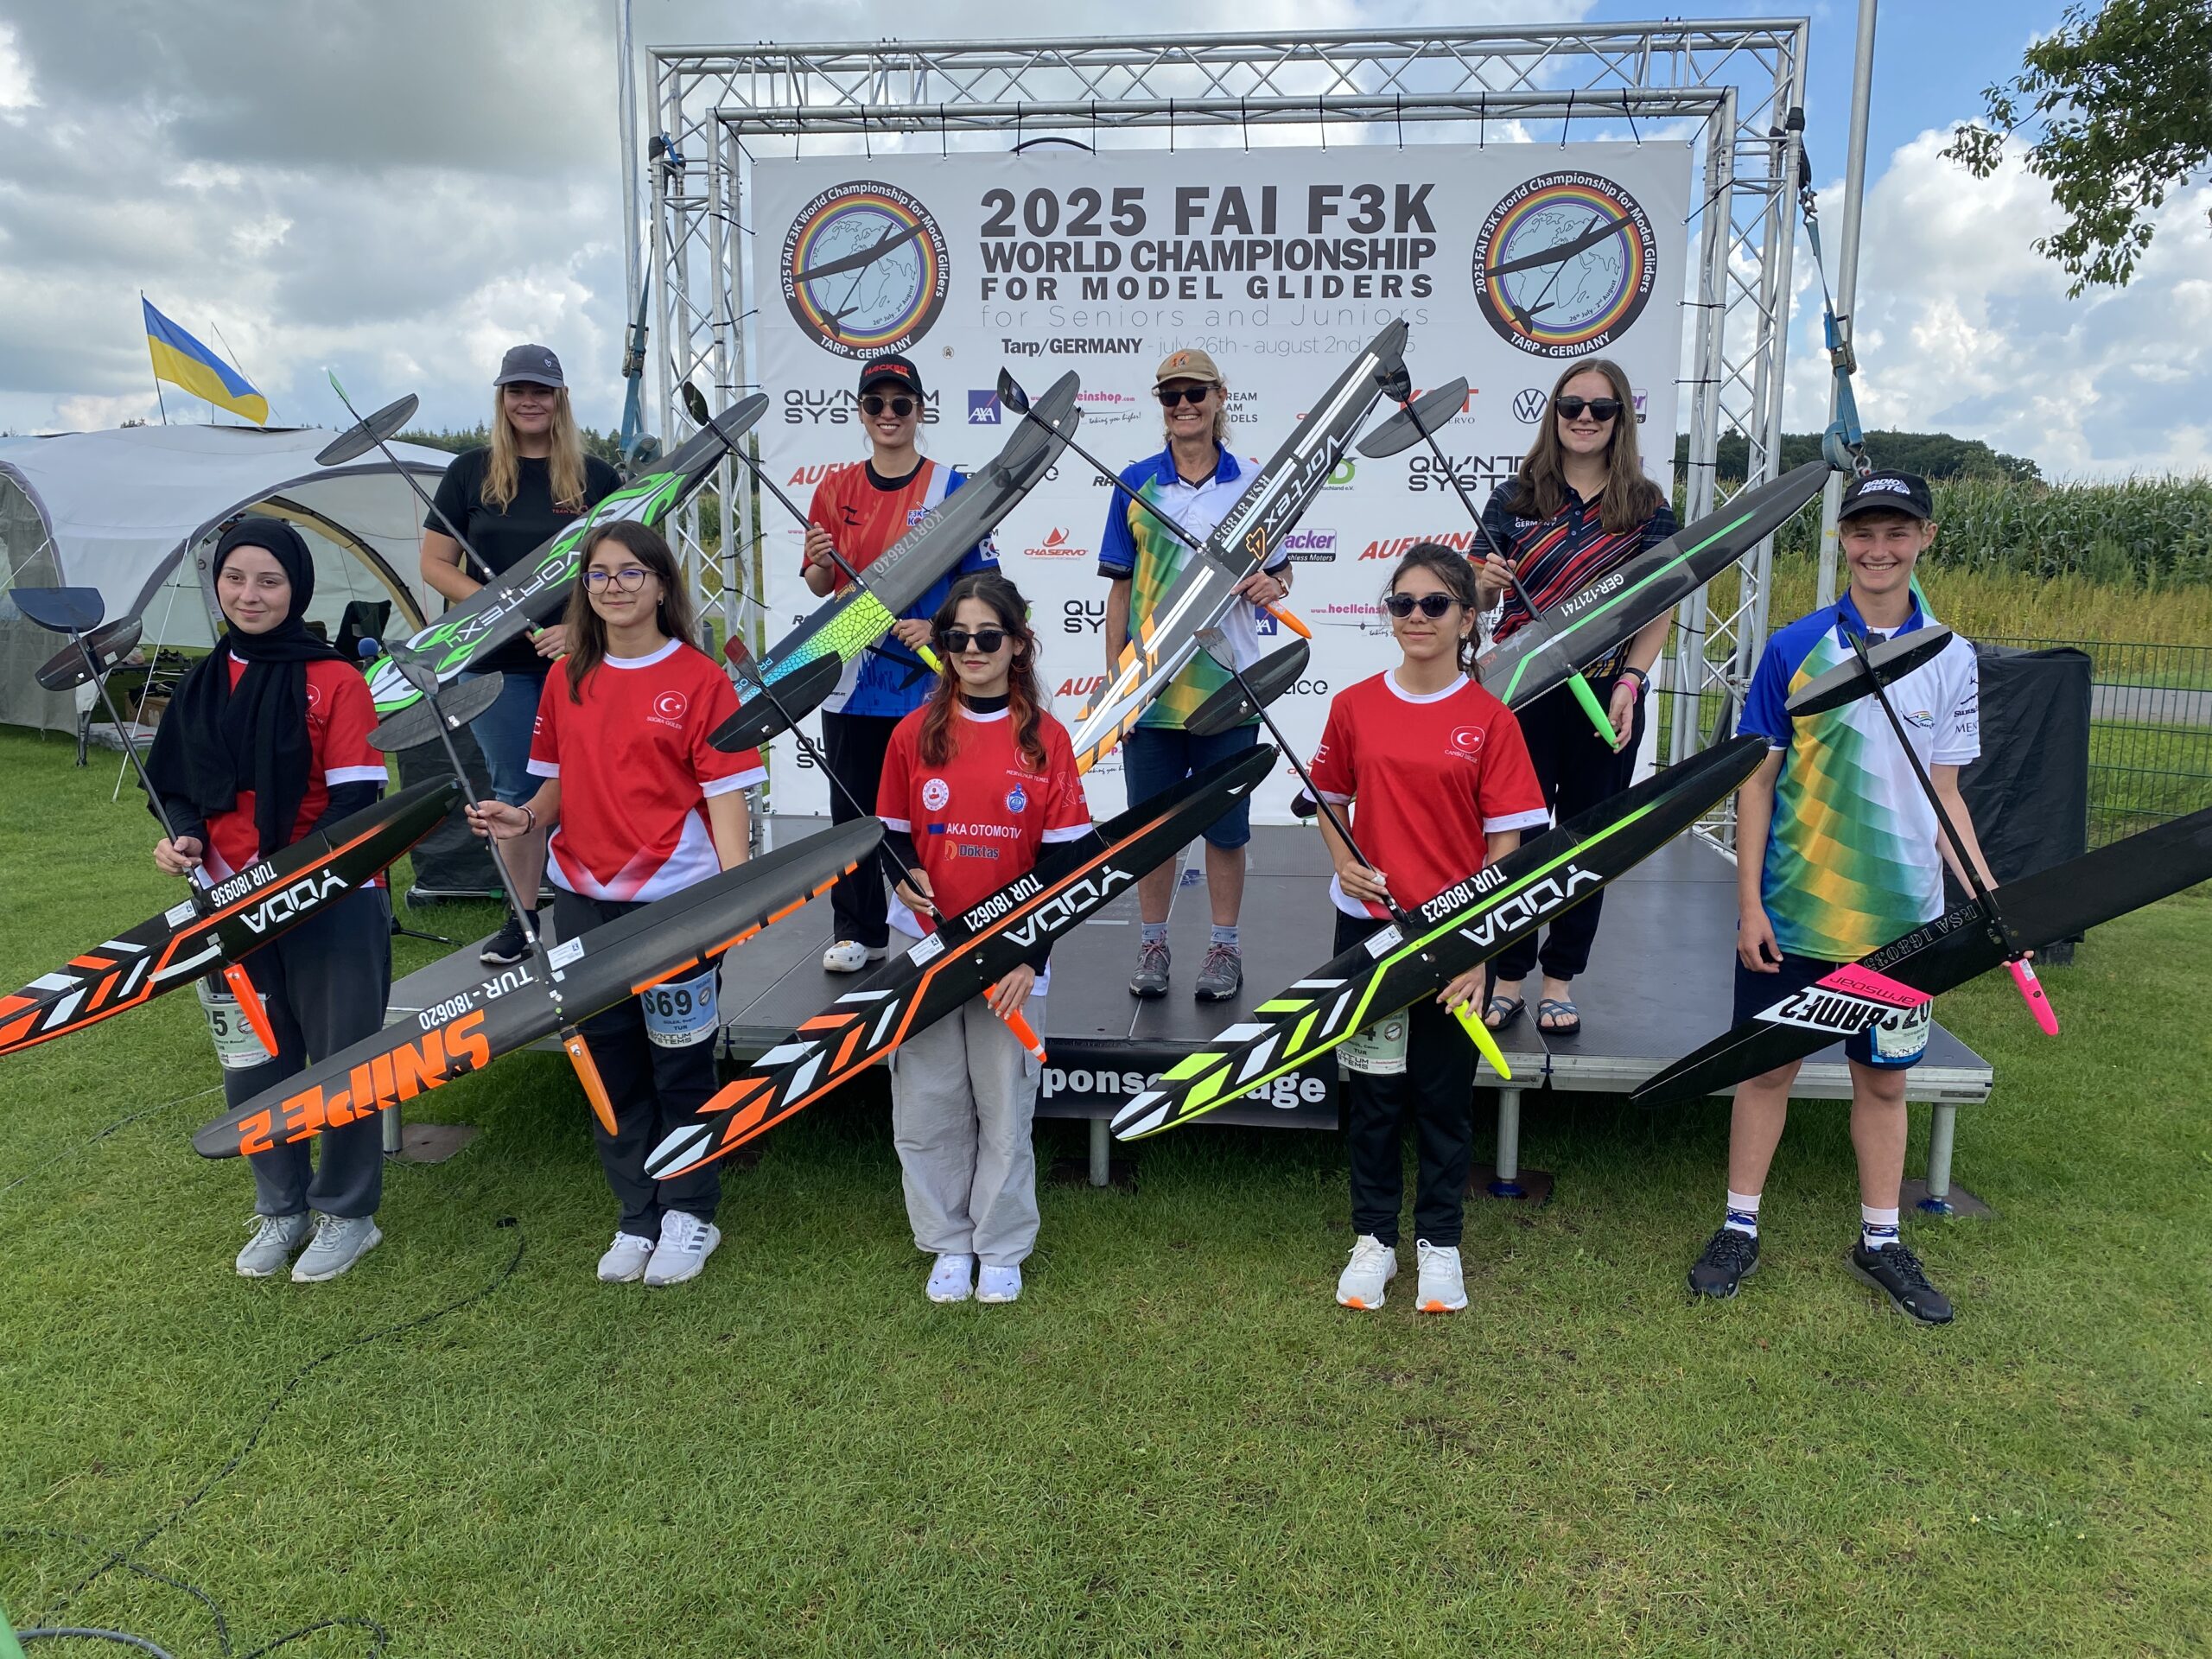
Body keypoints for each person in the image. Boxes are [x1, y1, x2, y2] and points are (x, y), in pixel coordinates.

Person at [1687, 471, 1987, 1325]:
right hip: (1795, 914)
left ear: (1925, 538)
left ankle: (1881, 1241)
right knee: (1765, 1071)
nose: (1878, 549)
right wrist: (1749, 904)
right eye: (1863, 532)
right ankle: (1738, 1228)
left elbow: (1946, 796)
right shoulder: (1794, 646)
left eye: (1897, 532)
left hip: (1901, 926)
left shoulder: (1952, 655)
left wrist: (1988, 893)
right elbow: (1755, 783)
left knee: (1884, 1088)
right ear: (1842, 540)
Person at [467, 521, 764, 1288]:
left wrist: (737, 896)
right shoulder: (568, 678)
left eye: (632, 572)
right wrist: (523, 819)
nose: (615, 587)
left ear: (662, 585)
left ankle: (691, 1212)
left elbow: (726, 796)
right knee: (611, 1065)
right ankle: (637, 1214)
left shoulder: (701, 678)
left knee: (681, 1067)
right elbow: (556, 784)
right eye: (599, 574)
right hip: (584, 904)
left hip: (677, 907)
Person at [142, 518, 393, 1282]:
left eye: (269, 581)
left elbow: (357, 802)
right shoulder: (202, 680)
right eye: (235, 578)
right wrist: (184, 839)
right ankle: (281, 1207)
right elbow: (174, 787)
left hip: (331, 896)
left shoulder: (336, 680)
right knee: (252, 1060)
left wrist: (285, 880)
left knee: (343, 1060)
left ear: (298, 588)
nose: (249, 595)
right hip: (225, 904)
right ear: (217, 583)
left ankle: (347, 1213)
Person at [1309, 543, 1547, 1314]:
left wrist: (1479, 951)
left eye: (1435, 604)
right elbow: (1329, 798)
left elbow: (1507, 847)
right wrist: (1343, 859)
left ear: (1467, 619)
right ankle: (1374, 1239)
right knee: (1374, 1096)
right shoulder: (1354, 706)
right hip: (1369, 934)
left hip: (1454, 940)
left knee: (1443, 1099)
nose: (1416, 617)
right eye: (1403, 603)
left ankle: (1439, 1243)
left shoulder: (1491, 720)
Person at [877, 572, 1090, 1306]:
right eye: (956, 636)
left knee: (1004, 1106)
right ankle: (947, 1241)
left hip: (1013, 954)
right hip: (928, 949)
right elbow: (890, 838)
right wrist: (902, 875)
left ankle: (1000, 1245)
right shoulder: (912, 733)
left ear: (1018, 644)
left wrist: (1032, 954)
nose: (972, 649)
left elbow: (1065, 865)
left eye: (988, 636)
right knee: (927, 1100)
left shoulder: (1048, 739)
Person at [1476, 358, 1678, 1038]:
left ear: (1621, 418)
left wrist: (1632, 682)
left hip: (1605, 695)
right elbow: (1474, 595)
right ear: (1554, 414)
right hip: (1522, 695)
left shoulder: (1647, 506)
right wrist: (1486, 582)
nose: (1585, 418)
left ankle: (1560, 980)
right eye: (1572, 406)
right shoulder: (1513, 497)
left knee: (1587, 843)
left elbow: (1659, 607)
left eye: (1601, 407)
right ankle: (1509, 976)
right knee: (1518, 840)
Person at [422, 343, 620, 969]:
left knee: (591, 785)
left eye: (541, 390)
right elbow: (434, 564)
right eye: (517, 390)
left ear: (560, 398)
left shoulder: (598, 478)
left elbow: (624, 569)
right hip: (495, 664)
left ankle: (596, 907)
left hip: (582, 658)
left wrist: (582, 628)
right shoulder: (468, 472)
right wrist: (501, 609)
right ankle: (524, 919)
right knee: (516, 789)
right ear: (501, 398)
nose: (528, 401)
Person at [1101, 347, 1289, 1003]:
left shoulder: (1255, 483)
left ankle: (1224, 946)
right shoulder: (1134, 483)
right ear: (1161, 405)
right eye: (1171, 396)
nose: (1183, 406)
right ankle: (1153, 943)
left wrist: (1274, 585)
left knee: (1226, 827)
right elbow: (1119, 591)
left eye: (1195, 393)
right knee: (1151, 832)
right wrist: (1115, 685)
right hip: (1150, 690)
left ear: (1219, 398)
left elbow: (1280, 573)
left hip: (1226, 688)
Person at [804, 353, 998, 975]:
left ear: (920, 410)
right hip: (852, 674)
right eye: (875, 404)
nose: (888, 414)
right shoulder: (834, 489)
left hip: (927, 675)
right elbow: (819, 585)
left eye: (900, 403)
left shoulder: (952, 488)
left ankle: (944, 920)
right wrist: (818, 562)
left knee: (935, 808)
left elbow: (984, 586)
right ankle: (859, 931)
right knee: (854, 809)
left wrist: (939, 628)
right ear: (861, 413)